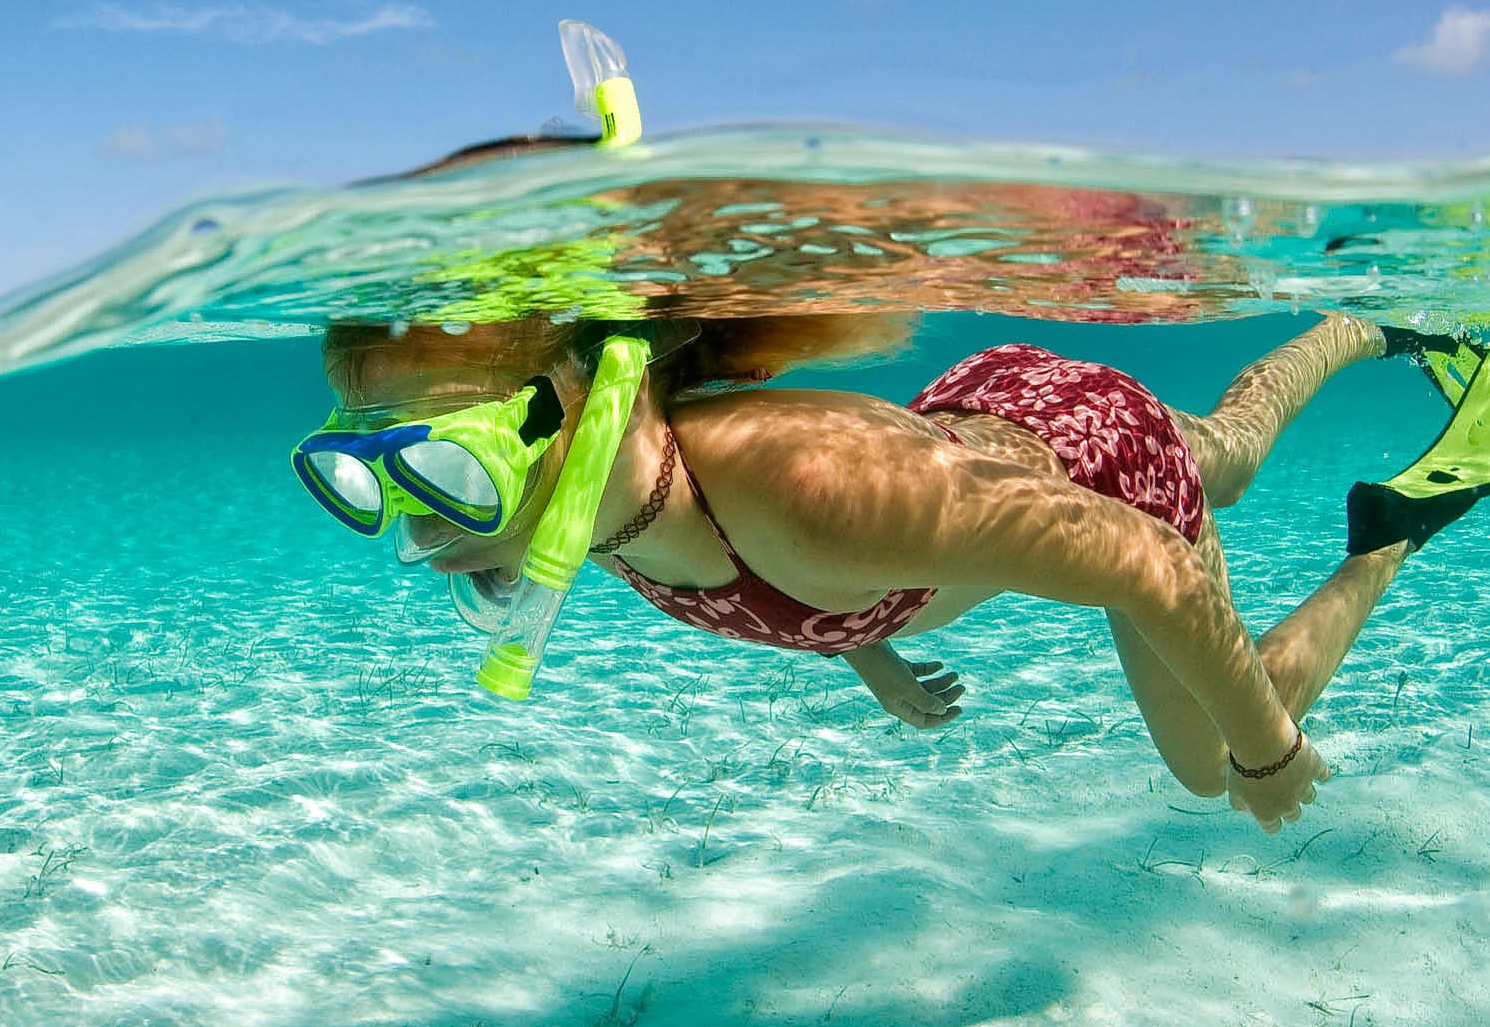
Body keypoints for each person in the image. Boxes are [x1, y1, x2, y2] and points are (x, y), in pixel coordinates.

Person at [301, 310, 1474, 834]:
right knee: (1231, 450)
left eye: (442, 460)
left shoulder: (807, 487)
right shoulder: (605, 504)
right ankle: (1361, 327)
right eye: (363, 468)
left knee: (1213, 765)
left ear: (591, 400)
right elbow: (779, 558)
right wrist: (872, 650)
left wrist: (1274, 749)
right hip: (994, 408)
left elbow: (1152, 564)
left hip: (1096, 465)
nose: (421, 517)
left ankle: (1387, 532)